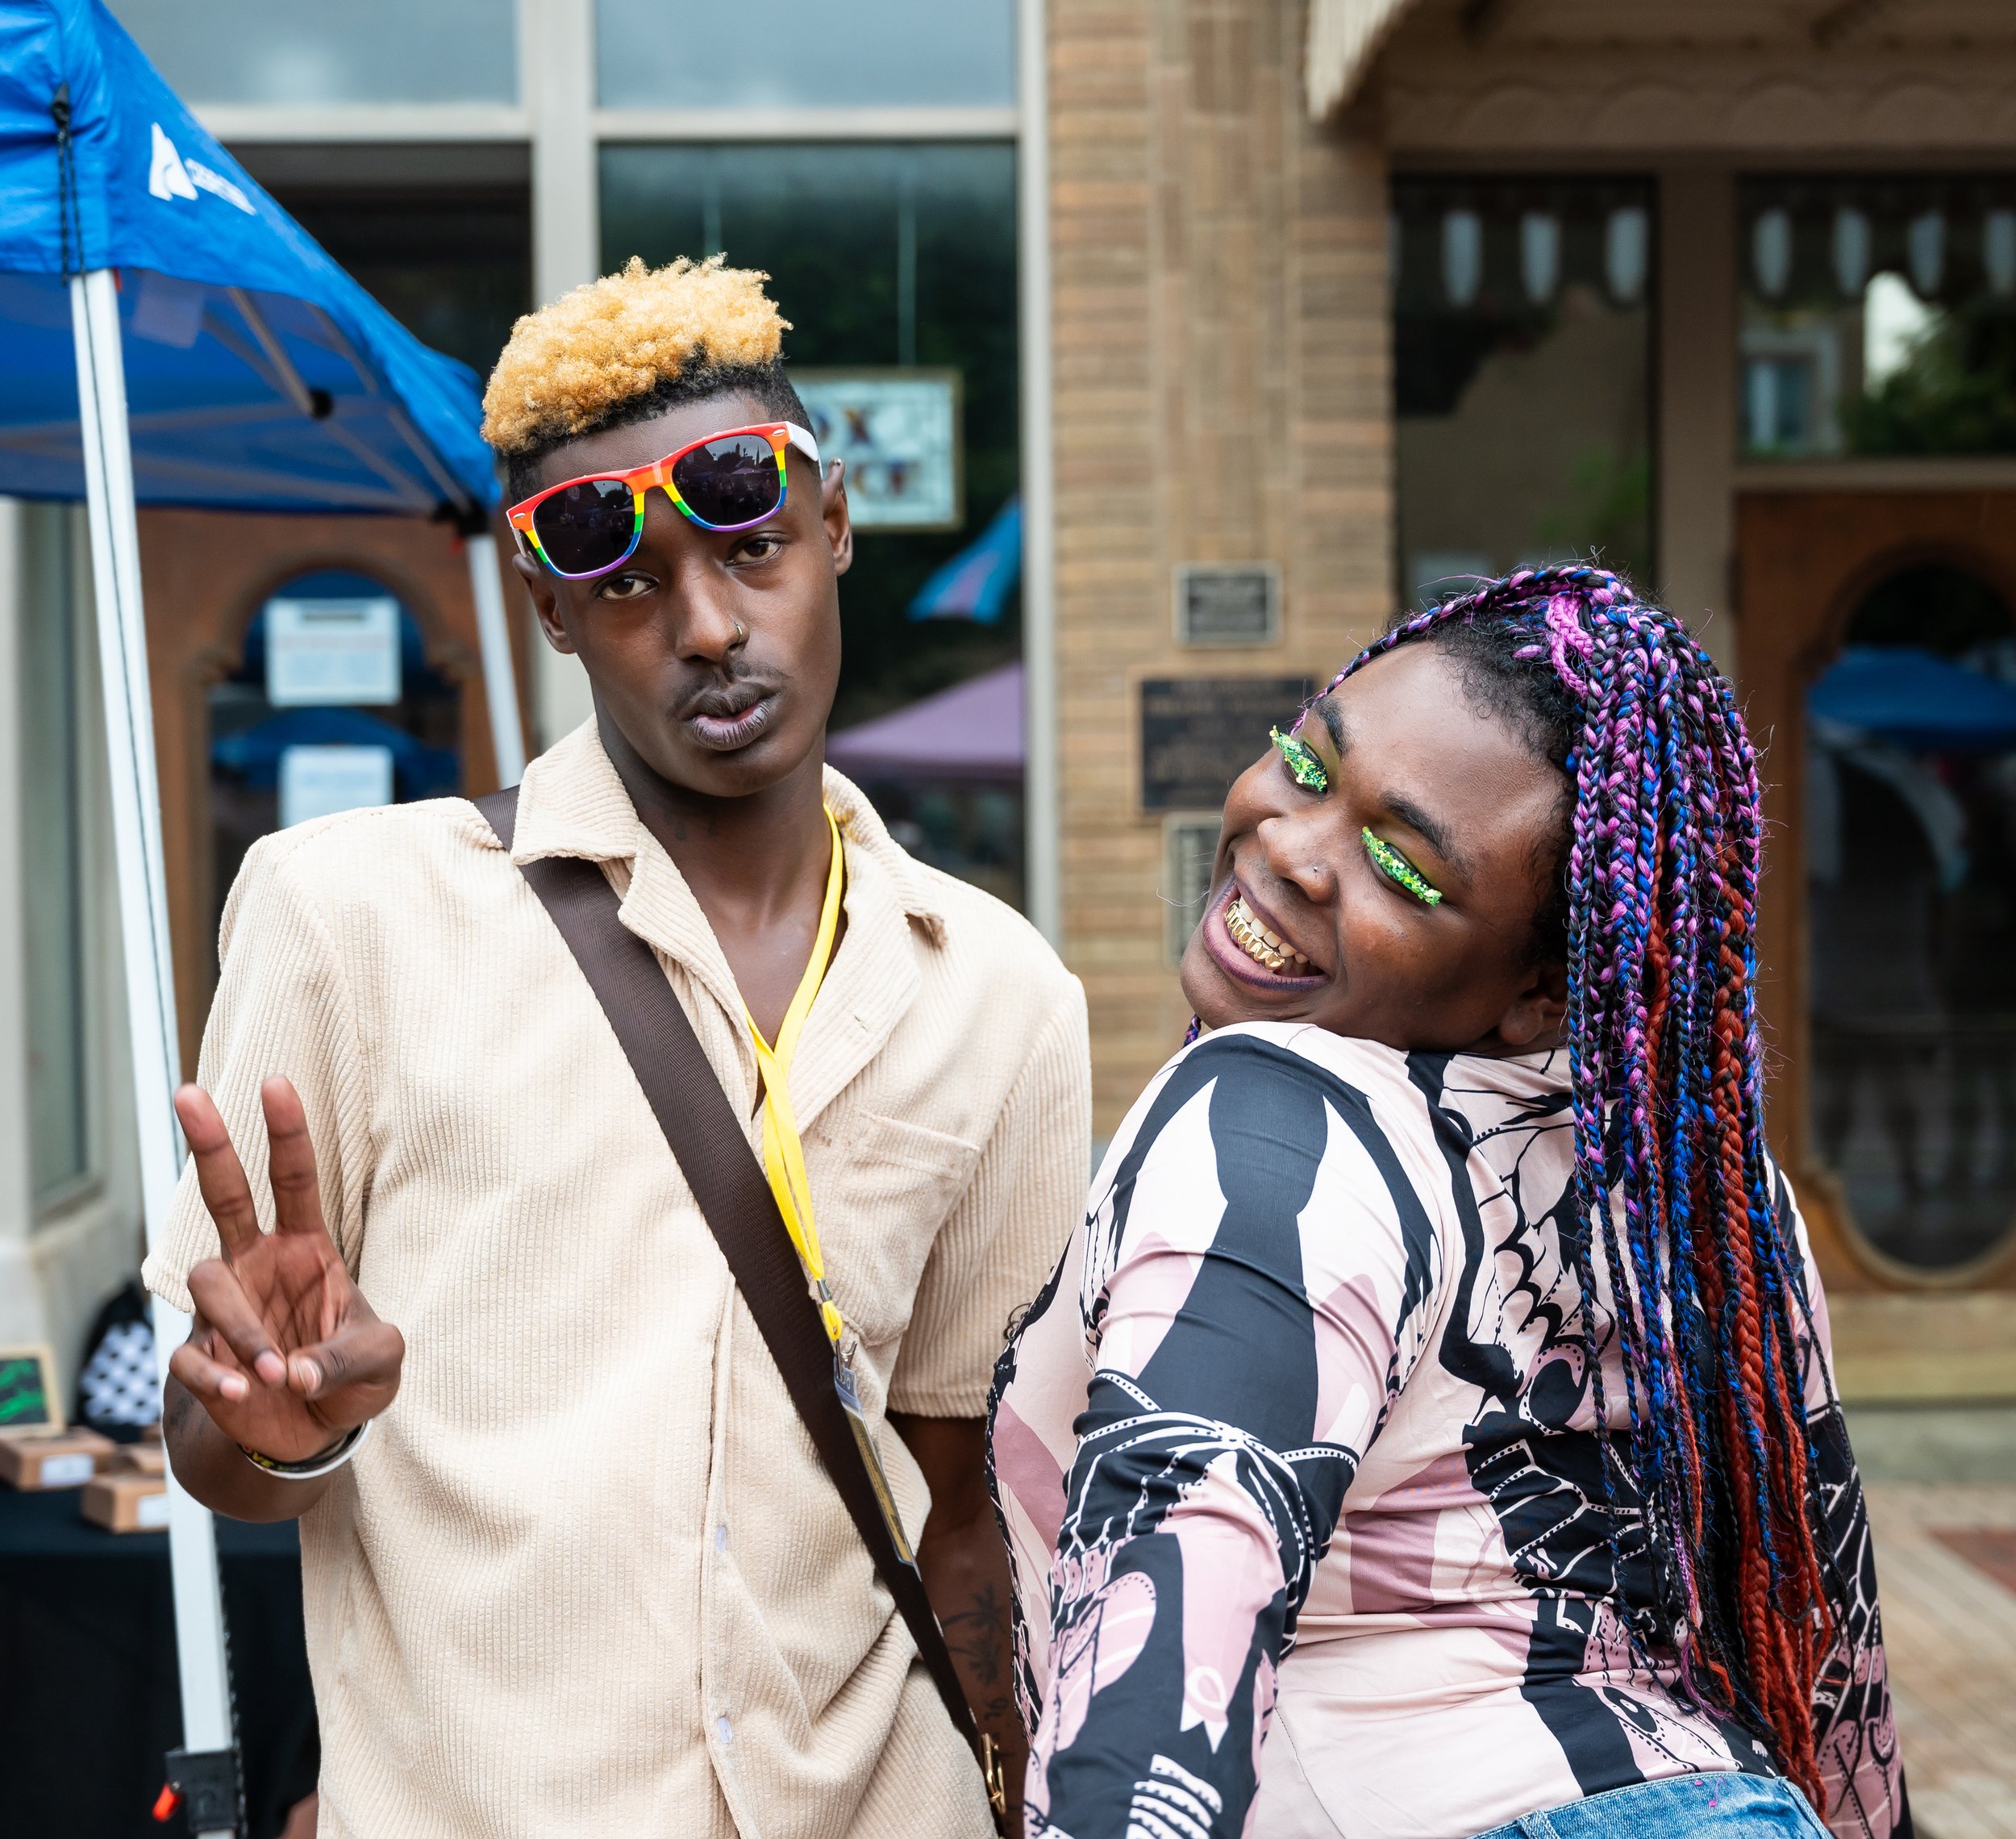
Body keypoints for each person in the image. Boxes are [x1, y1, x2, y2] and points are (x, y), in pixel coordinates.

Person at [147, 256, 1089, 1839]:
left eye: (755, 550)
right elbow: (226, 1441)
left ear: (836, 526)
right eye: (631, 582)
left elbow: (972, 1496)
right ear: (551, 609)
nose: (710, 626)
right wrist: (282, 1436)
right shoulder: (353, 919)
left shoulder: (998, 991)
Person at [989, 568, 1907, 1839]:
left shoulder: (1271, 1110)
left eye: (1401, 868)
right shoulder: (1707, 1189)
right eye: (1308, 769)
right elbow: (1824, 1616)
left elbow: (1173, 1590)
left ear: (1540, 990)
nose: (1294, 852)